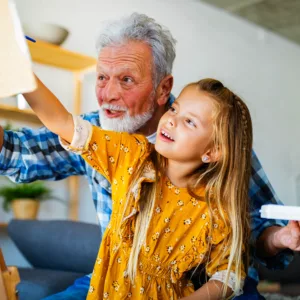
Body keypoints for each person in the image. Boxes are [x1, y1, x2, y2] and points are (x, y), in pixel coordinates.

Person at [0, 12, 299, 299]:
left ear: (163, 88)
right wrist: (18, 69)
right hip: (116, 278)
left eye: (127, 80)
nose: (108, 94)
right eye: (102, 77)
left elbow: (242, 248)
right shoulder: (123, 150)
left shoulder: (222, 159)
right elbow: (33, 142)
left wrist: (276, 238)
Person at [23, 76, 254, 299]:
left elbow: (229, 276)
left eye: (189, 121)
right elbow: (64, 123)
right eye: (174, 109)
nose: (171, 120)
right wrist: (20, 73)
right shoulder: (132, 155)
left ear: (211, 152)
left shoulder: (216, 209)